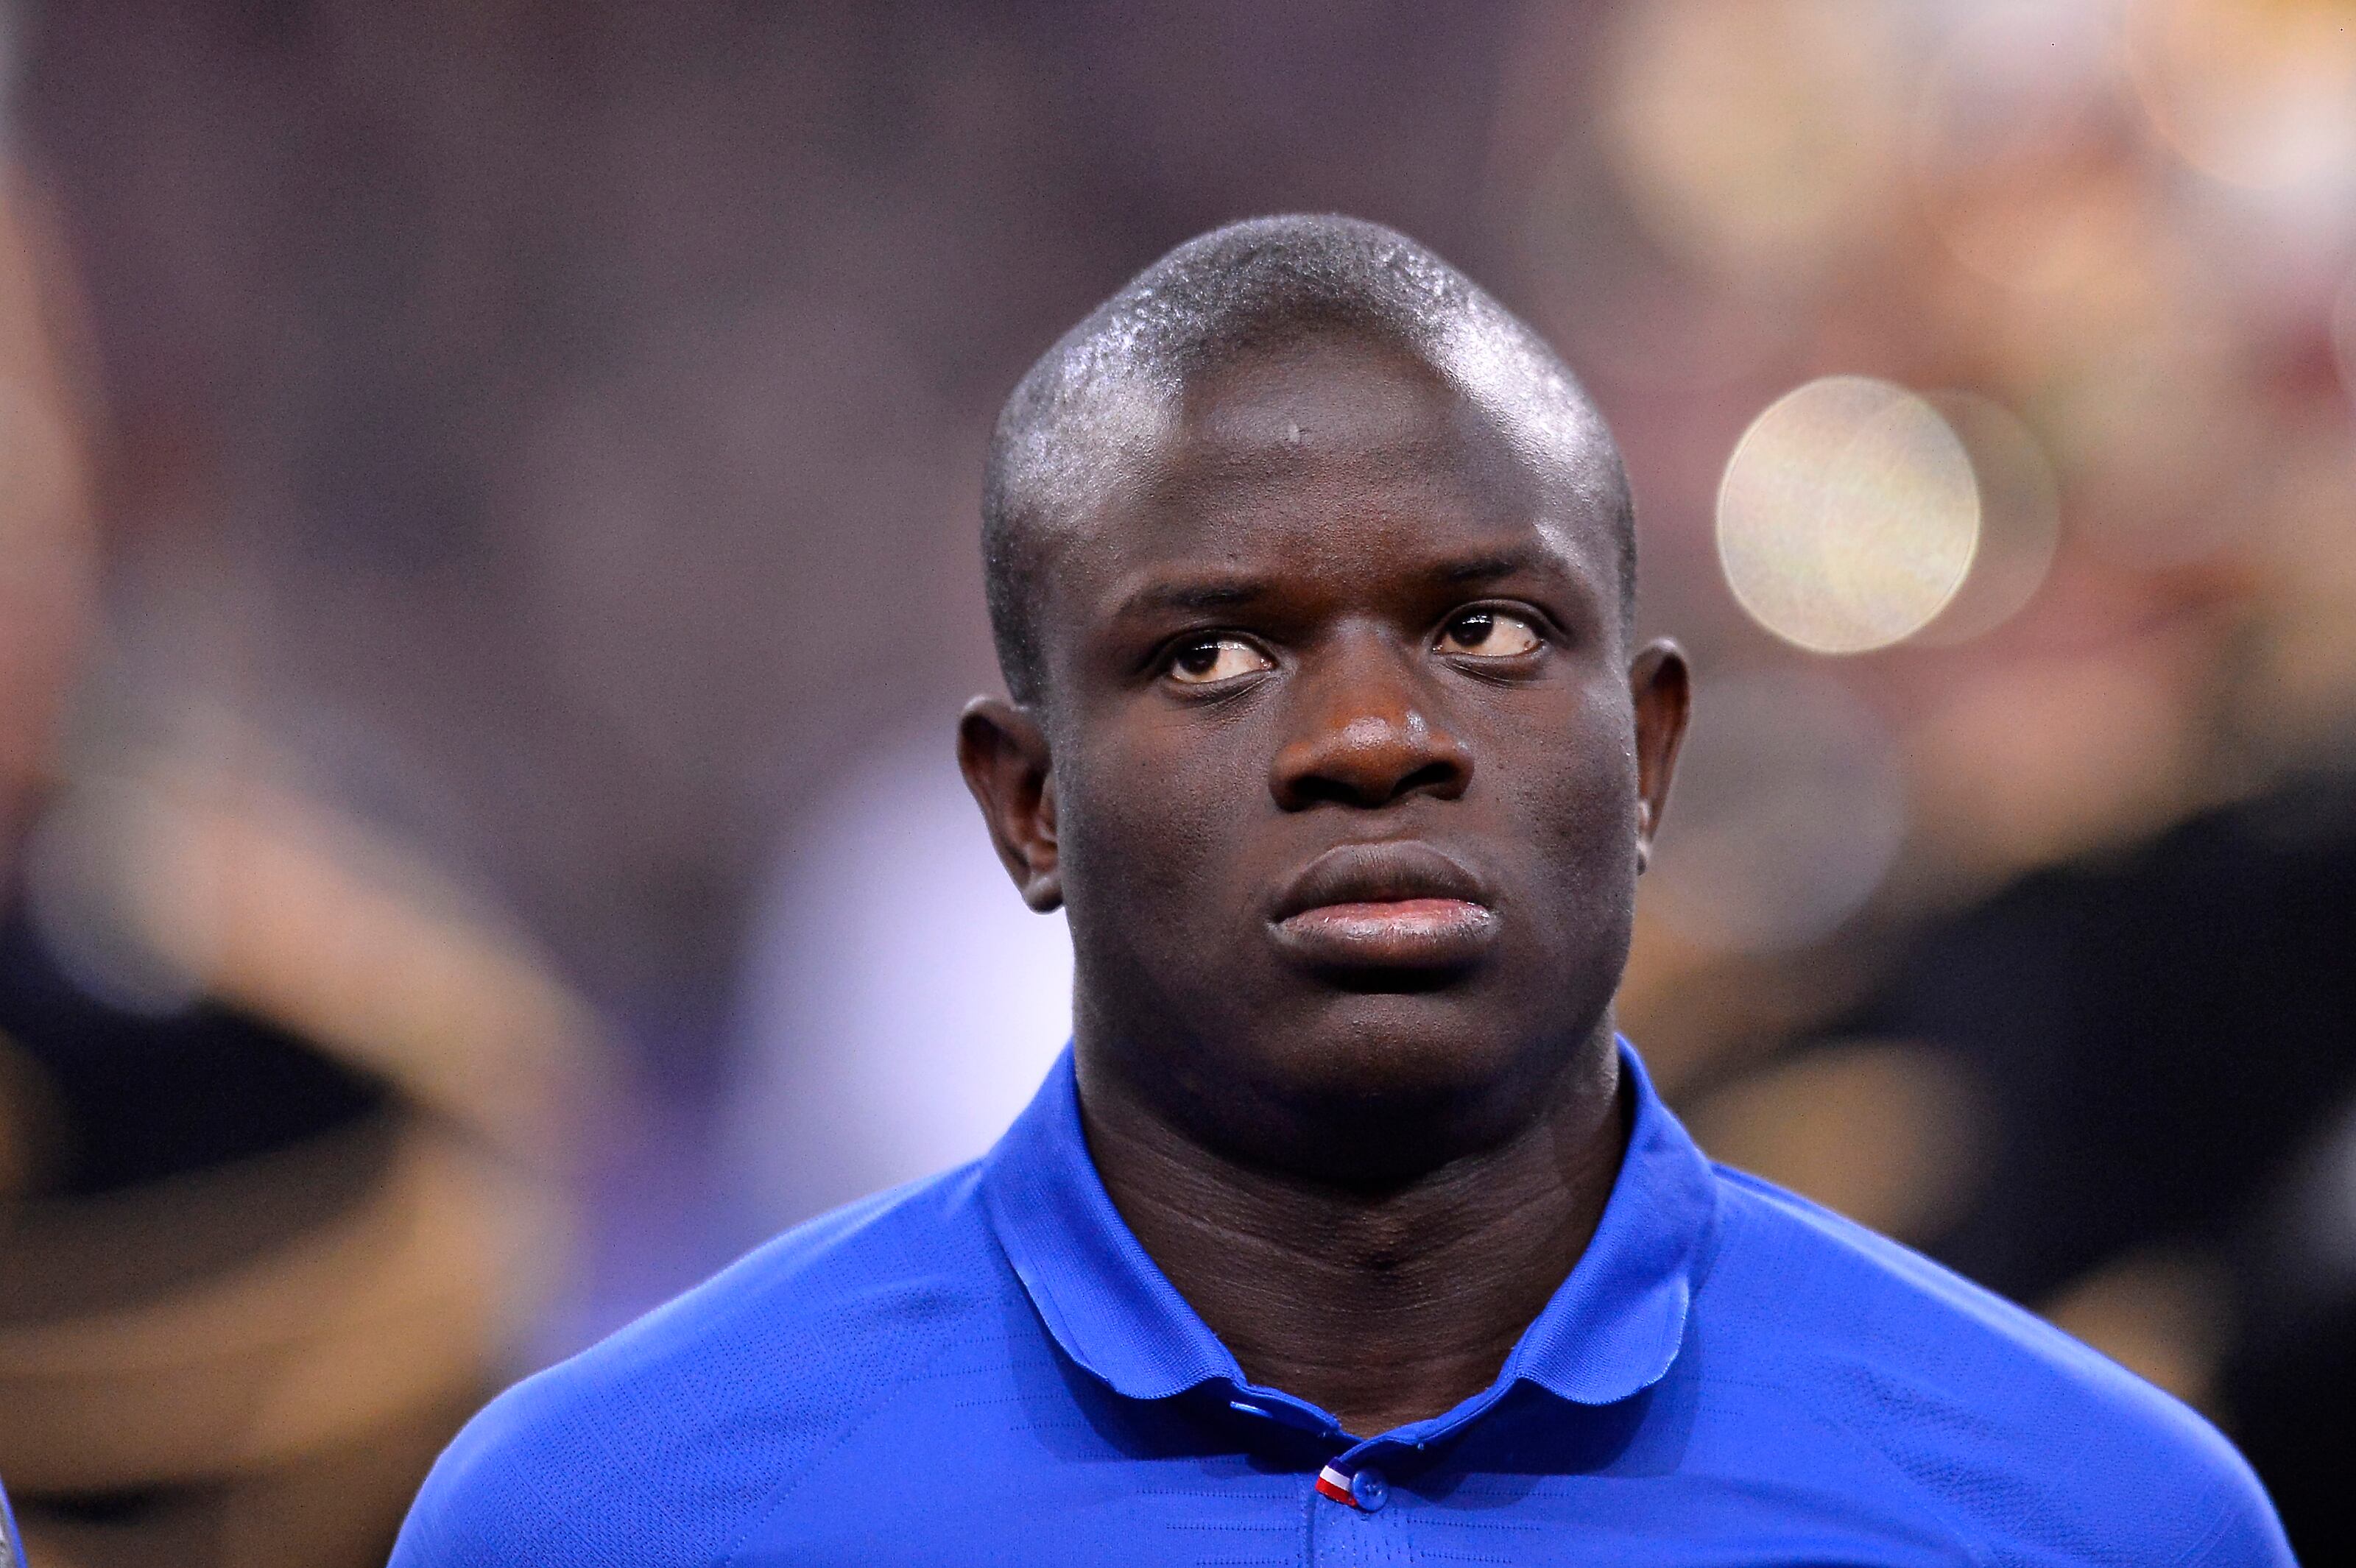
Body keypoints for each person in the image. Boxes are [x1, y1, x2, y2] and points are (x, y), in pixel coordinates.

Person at [390, 216, 2290, 1564]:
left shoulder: (2099, 1517)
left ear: (1648, 754)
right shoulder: (603, 1515)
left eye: (1484, 626)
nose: (1374, 735)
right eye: (1215, 656)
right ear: (1027, 802)